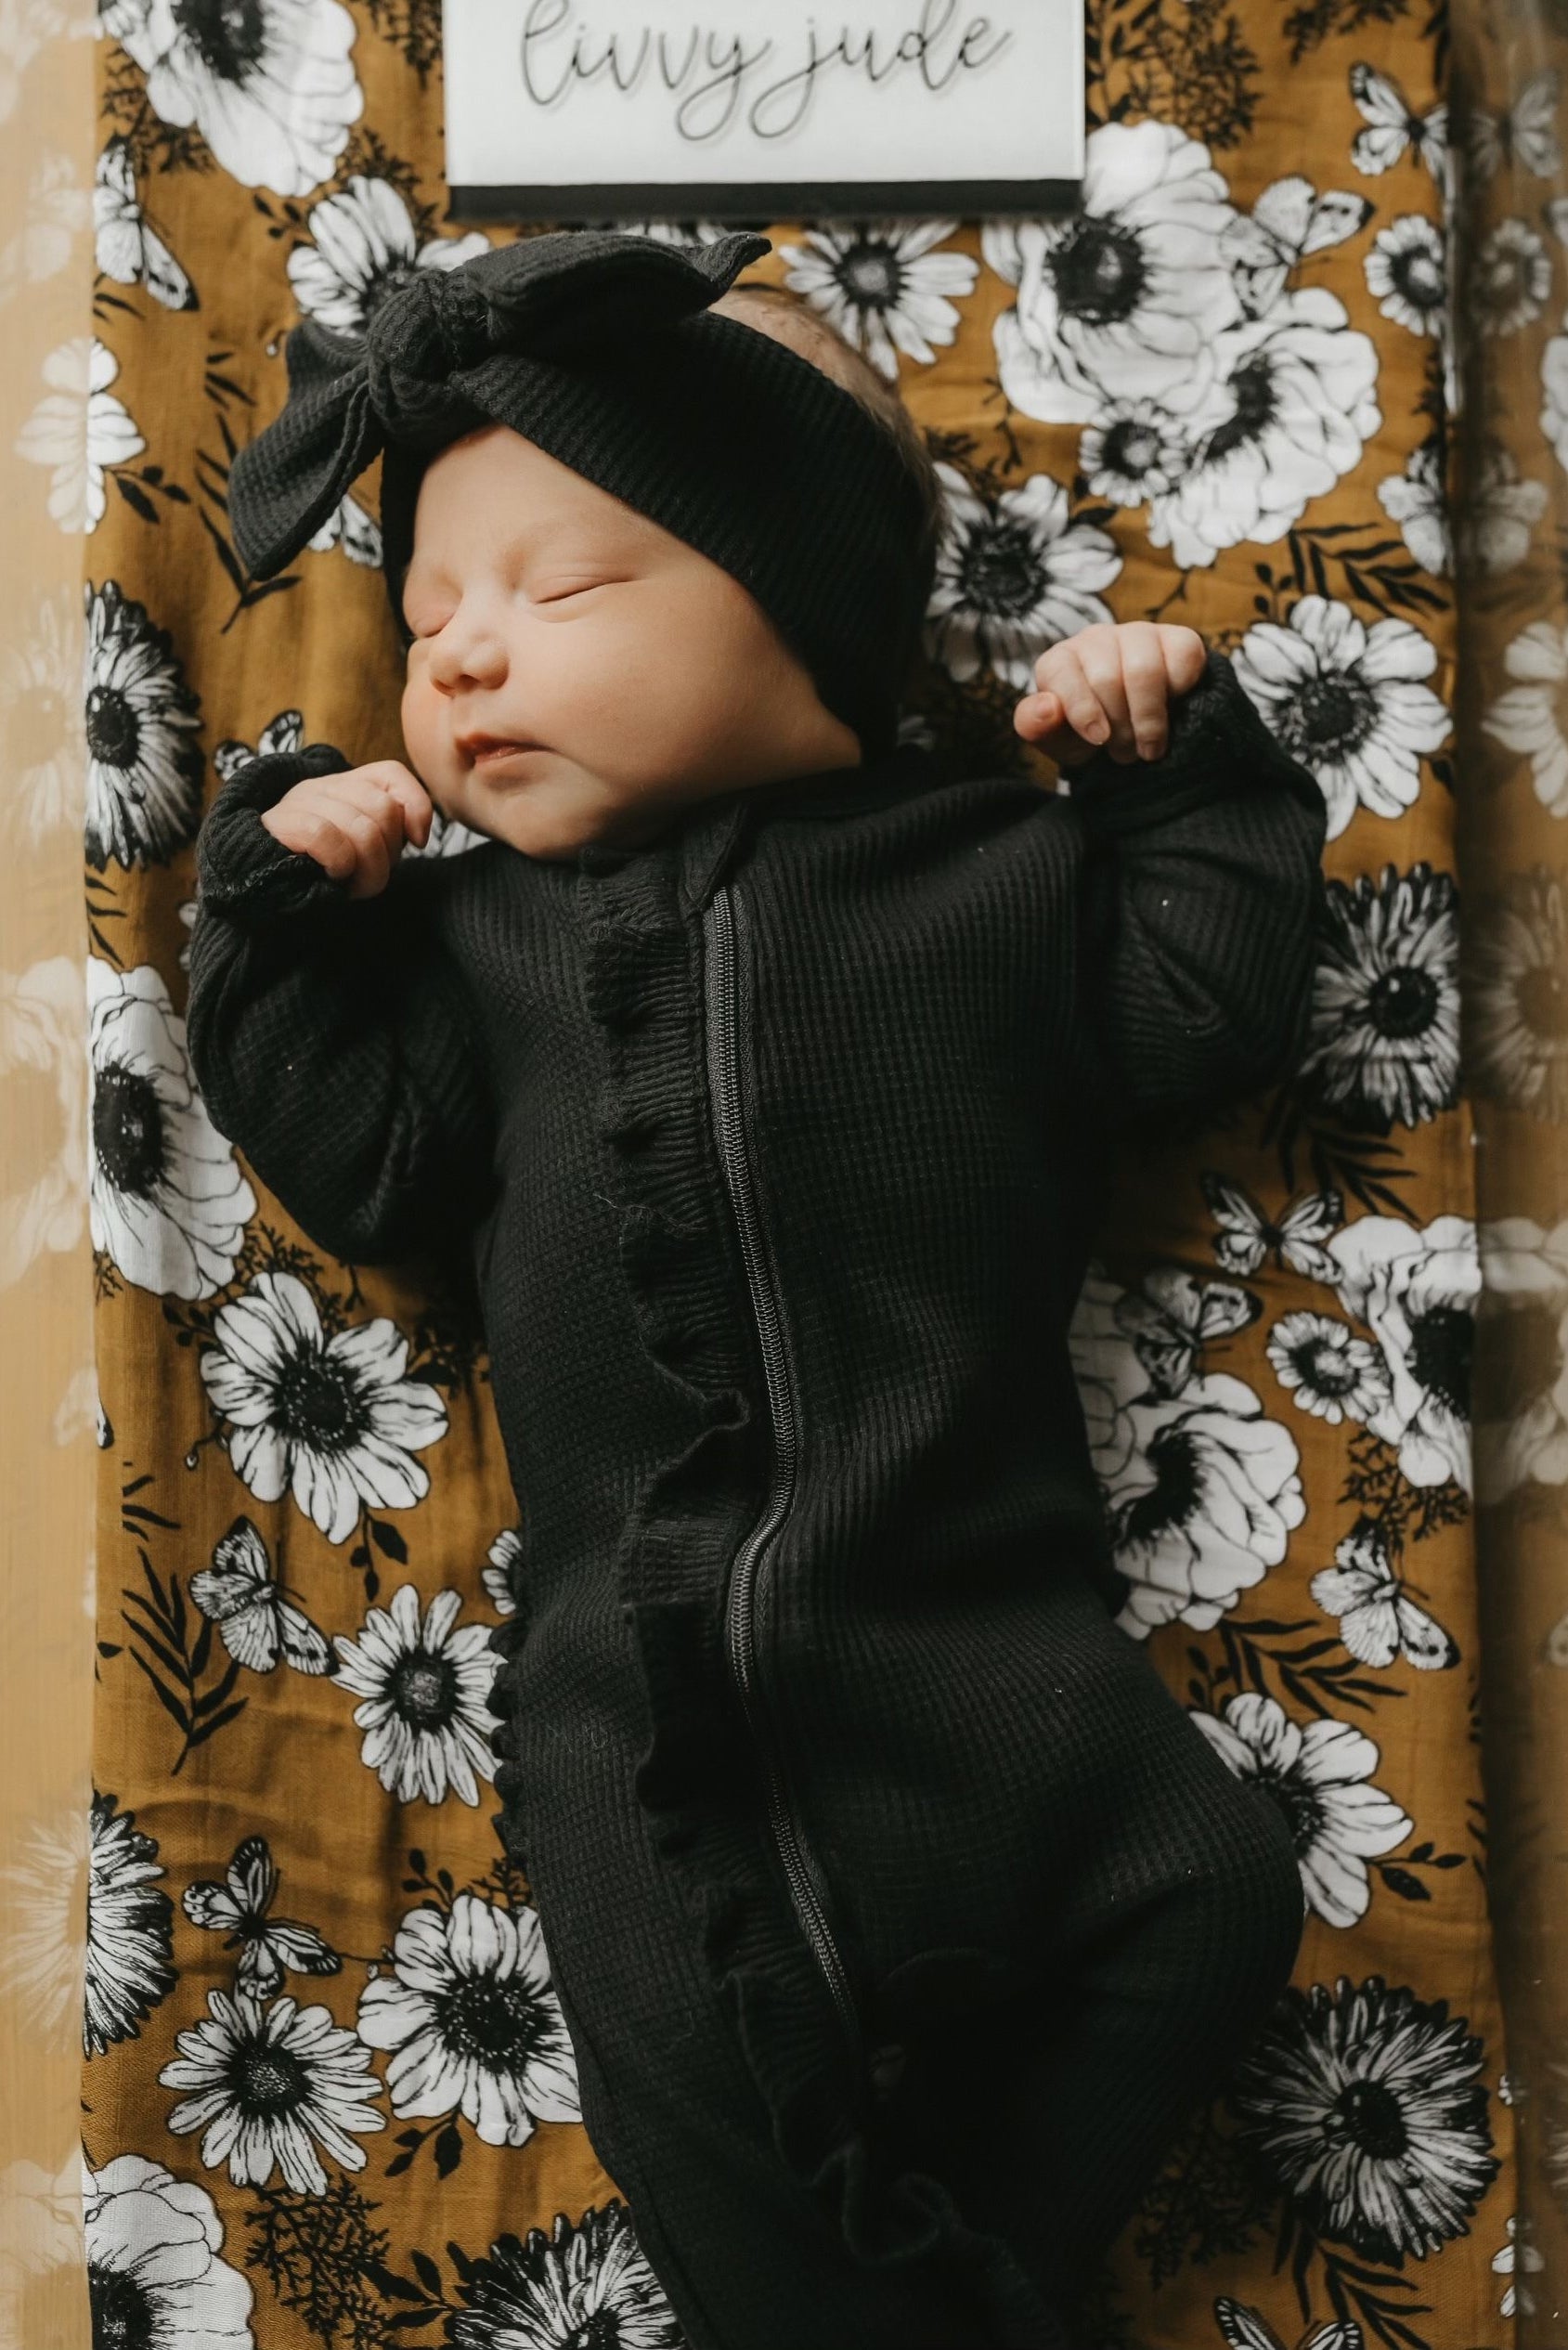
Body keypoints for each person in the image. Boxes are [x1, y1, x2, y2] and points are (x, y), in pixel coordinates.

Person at [187, 225, 1324, 2350]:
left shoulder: (994, 873)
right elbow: (363, 1167)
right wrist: (279, 929)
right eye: (426, 618)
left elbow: (1204, 1004)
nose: (455, 661)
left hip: (987, 1644)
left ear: (803, 613)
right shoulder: (473, 950)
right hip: (640, 1707)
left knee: (1201, 1902)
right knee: (702, 2093)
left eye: (558, 589)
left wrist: (1176, 775)